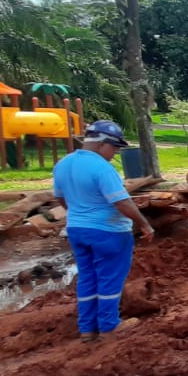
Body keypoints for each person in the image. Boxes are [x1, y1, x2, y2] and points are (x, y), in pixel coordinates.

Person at [53, 120, 154, 342]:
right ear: (102, 144)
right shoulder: (102, 168)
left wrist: (79, 212)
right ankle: (109, 326)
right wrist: (144, 223)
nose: (115, 154)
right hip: (109, 232)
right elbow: (121, 202)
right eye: (115, 148)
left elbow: (60, 197)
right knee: (110, 278)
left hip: (77, 230)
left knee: (87, 277)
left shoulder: (63, 164)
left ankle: (87, 328)